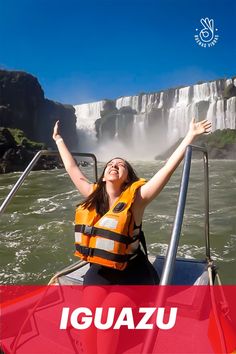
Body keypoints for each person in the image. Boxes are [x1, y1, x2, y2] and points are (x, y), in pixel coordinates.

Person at [52, 117, 211, 286]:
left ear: (127, 178)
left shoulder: (137, 200)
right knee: (91, 308)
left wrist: (190, 136)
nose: (114, 165)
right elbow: (72, 168)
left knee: (114, 309)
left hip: (131, 272)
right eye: (110, 164)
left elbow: (167, 169)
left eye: (121, 165)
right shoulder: (93, 193)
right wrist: (58, 139)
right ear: (104, 176)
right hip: (100, 269)